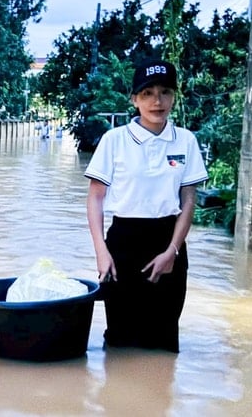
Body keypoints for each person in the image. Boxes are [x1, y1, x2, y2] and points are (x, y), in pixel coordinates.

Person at [84, 58, 208, 353]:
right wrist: (102, 252)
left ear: (174, 97)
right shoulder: (115, 140)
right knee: (120, 337)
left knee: (164, 337)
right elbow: (95, 198)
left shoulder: (186, 141)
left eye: (165, 92)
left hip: (168, 241)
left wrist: (172, 251)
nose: (157, 101)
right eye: (148, 93)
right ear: (134, 99)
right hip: (123, 242)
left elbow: (188, 200)